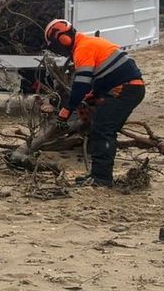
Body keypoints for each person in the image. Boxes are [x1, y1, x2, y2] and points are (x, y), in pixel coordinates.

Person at [43, 18, 145, 187]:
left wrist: (67, 109)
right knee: (103, 128)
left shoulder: (82, 48)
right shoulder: (89, 43)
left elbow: (81, 83)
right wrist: (94, 94)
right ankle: (99, 174)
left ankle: (101, 178)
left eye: (56, 45)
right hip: (127, 87)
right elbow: (105, 73)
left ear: (63, 38)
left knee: (103, 130)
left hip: (126, 89)